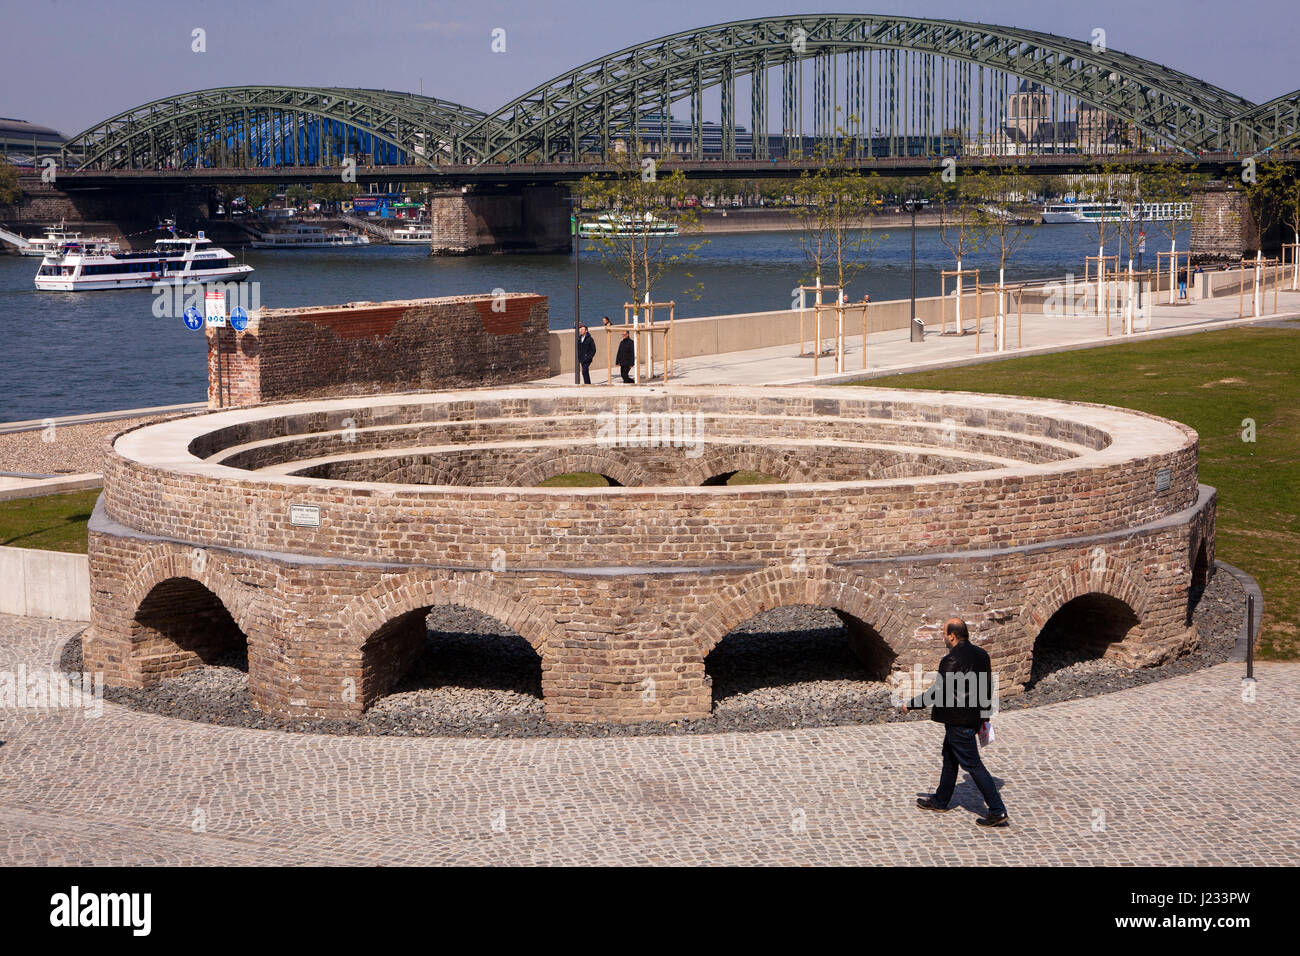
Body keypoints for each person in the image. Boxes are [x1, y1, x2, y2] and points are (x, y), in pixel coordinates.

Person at [901, 617, 1008, 828]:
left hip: (958, 722)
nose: (943, 637)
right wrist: (984, 717)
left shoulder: (950, 660)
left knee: (974, 766)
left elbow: (937, 692)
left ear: (952, 635)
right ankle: (941, 800)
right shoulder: (981, 654)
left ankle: (997, 810)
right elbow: (988, 688)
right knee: (950, 758)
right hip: (971, 719)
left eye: (944, 633)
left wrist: (911, 705)